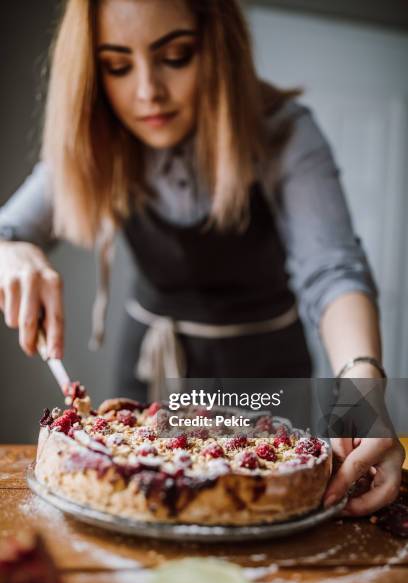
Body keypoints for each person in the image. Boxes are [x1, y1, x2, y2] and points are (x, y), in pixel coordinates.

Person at [0, 0, 404, 515]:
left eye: (176, 56)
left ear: (217, 48)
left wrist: (361, 397)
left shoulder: (285, 133)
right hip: (149, 371)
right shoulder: (98, 137)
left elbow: (334, 273)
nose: (148, 91)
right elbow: (9, 229)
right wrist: (11, 251)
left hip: (265, 374)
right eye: (118, 66)